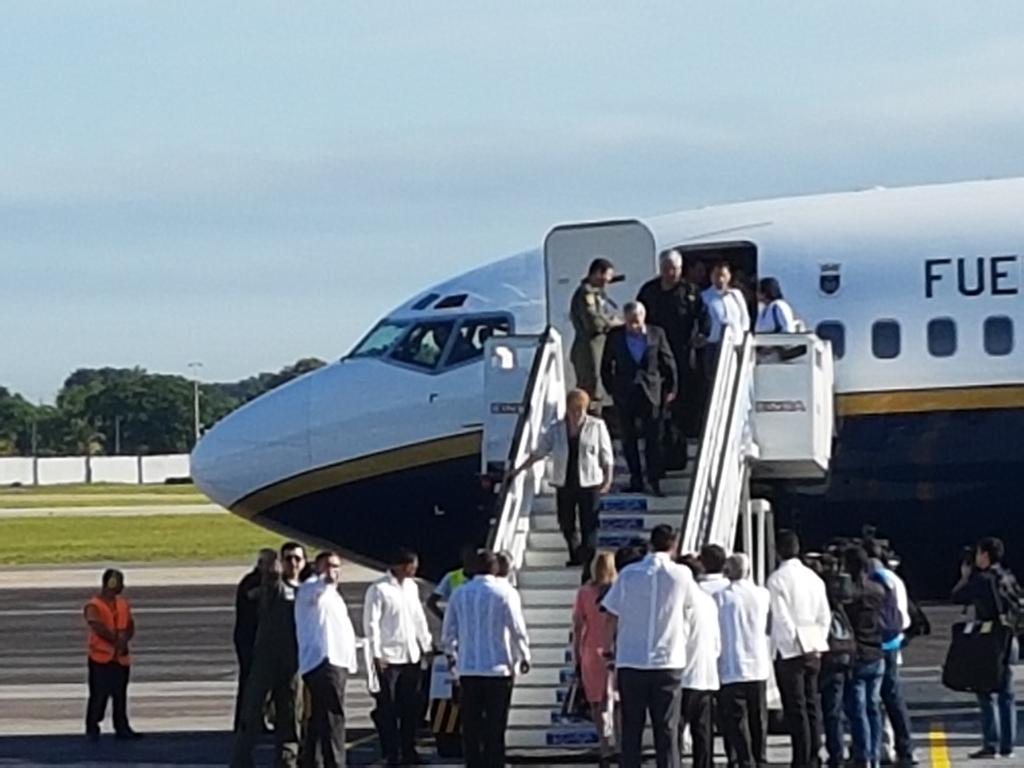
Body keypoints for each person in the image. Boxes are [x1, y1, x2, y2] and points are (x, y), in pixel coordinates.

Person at [601, 525, 696, 768]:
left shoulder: (628, 574)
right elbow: (692, 608)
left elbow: (611, 614)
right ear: (674, 546)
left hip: (632, 660)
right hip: (668, 659)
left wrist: (608, 649)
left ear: (651, 544)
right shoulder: (681, 575)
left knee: (631, 728)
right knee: (667, 728)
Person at [442, 550, 530, 768]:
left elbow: (448, 631)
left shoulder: (459, 594)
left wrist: (452, 655)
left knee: (471, 725)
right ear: (496, 568)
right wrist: (524, 655)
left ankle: (473, 763)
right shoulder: (506, 593)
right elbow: (517, 628)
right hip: (498, 668)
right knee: (495, 724)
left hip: (468, 668)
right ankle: (494, 762)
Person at [517, 388, 614, 567]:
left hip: (590, 483)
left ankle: (588, 559)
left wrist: (607, 479)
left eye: (580, 409)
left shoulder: (597, 426)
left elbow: (606, 455)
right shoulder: (557, 428)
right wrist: (519, 469)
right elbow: (540, 451)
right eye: (573, 409)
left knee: (589, 522)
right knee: (565, 522)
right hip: (564, 482)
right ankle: (575, 553)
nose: (576, 413)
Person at [232, 542, 306, 768]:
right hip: (266, 660)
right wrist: (271, 568)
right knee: (253, 711)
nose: (293, 563)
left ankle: (287, 760)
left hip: (293, 662)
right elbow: (268, 581)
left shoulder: (306, 591)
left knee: (290, 714)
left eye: (297, 559)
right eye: (288, 559)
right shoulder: (273, 587)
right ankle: (241, 760)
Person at [363, 548, 434, 766]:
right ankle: (391, 754)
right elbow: (371, 625)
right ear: (400, 566)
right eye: (412, 566)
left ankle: (409, 750)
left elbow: (418, 618)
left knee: (410, 707)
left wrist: (427, 645)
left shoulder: (412, 587)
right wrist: (376, 655)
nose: (415, 570)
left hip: (410, 656)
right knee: (388, 708)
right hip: (389, 659)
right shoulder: (379, 589)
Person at [767, 530, 831, 768]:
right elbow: (824, 614)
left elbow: (782, 618)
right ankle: (815, 753)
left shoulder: (776, 580)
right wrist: (818, 641)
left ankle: (801, 758)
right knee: (812, 703)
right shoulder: (814, 578)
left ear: (777, 551)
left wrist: (794, 644)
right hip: (814, 647)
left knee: (796, 708)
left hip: (791, 651)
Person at [600, 301, 677, 496]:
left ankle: (654, 480)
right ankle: (636, 479)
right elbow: (606, 365)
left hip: (651, 392)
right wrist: (612, 389)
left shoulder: (656, 333)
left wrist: (671, 388)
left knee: (653, 437)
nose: (634, 325)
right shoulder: (615, 336)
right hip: (625, 393)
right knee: (628, 438)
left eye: (637, 320)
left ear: (644, 316)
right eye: (630, 321)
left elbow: (668, 361)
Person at [952, 537, 1019, 759]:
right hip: (1009, 637)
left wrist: (965, 577)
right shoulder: (1007, 576)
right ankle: (1008, 745)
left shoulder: (982, 580)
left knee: (985, 691)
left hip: (989, 640)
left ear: (985, 555)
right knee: (1007, 693)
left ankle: (991, 743)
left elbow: (958, 596)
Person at [637, 250, 703, 469]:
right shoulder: (649, 291)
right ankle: (659, 456)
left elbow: (703, 318)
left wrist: (701, 336)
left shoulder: (690, 292)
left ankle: (680, 450)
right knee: (658, 405)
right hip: (655, 356)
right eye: (666, 268)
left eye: (674, 269)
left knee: (684, 403)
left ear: (680, 269)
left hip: (683, 354)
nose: (670, 273)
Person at [296, 551, 359, 768]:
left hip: (337, 660)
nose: (334, 571)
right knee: (334, 715)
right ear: (318, 567)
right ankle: (336, 763)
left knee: (320, 715)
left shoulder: (334, 595)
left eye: (337, 566)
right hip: (324, 660)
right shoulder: (310, 588)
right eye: (329, 565)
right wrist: (324, 580)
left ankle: (312, 760)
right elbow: (315, 592)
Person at [865, 540, 917, 767]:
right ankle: (905, 749)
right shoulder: (894, 578)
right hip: (894, 642)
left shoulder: (872, 578)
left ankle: (875, 749)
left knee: (871, 700)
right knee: (894, 699)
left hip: (877, 644)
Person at [716, 553, 771, 768]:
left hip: (732, 665)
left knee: (737, 719)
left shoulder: (721, 597)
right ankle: (761, 758)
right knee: (758, 716)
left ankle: (745, 759)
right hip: (758, 664)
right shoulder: (762, 594)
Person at [842, 546, 887, 768]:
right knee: (873, 707)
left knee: (857, 710)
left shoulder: (850, 595)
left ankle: (863, 755)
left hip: (858, 654)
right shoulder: (878, 590)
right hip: (876, 652)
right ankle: (875, 755)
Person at [572, 551, 618, 763]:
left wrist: (576, 654)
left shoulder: (584, 592)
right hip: (615, 647)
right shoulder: (619, 590)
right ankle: (620, 742)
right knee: (618, 699)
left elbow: (578, 625)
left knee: (596, 701)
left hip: (591, 649)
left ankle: (604, 745)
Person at [83, 568, 139, 742]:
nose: (123, 586)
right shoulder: (94, 605)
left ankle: (121, 727)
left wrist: (124, 639)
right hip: (101, 658)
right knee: (98, 695)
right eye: (120, 582)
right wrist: (117, 641)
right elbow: (97, 626)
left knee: (120, 695)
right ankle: (92, 727)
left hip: (120, 658)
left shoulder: (123, 604)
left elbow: (130, 624)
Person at [679, 557, 721, 768]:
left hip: (684, 674)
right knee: (703, 730)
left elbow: (681, 637)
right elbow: (716, 641)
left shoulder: (682, 603)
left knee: (675, 729)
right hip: (707, 673)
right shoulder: (708, 600)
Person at [233, 548, 277, 731]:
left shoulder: (267, 581)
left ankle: (258, 718)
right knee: (250, 680)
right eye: (271, 563)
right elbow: (252, 595)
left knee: (262, 682)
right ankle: (245, 721)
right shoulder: (251, 581)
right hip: (249, 638)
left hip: (259, 637)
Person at [569, 257, 619, 411]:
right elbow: (593, 323)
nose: (608, 281)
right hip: (589, 350)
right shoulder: (586, 294)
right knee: (591, 390)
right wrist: (612, 324)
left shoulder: (598, 294)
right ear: (597, 273)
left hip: (599, 347)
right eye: (606, 276)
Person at [698, 261, 750, 383]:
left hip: (736, 345)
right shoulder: (704, 296)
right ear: (711, 276)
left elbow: (745, 319)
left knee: (737, 380)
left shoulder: (736, 295)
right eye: (717, 275)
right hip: (714, 346)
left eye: (723, 275)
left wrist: (743, 337)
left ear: (729, 276)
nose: (720, 279)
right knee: (715, 381)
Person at [427, 544, 477, 621]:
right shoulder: (451, 577)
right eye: (468, 558)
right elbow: (431, 602)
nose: (470, 561)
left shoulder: (482, 579)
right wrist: (445, 619)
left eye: (473, 559)